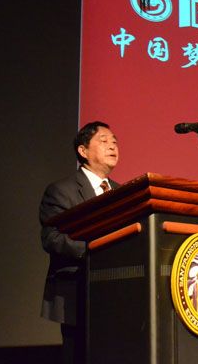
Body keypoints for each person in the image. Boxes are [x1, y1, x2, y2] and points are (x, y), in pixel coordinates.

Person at [39, 121, 120, 364]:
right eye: (104, 141)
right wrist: (97, 252)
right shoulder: (62, 191)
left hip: (119, 294)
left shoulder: (122, 192)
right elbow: (52, 238)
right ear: (83, 151)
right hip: (78, 293)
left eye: (114, 141)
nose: (112, 146)